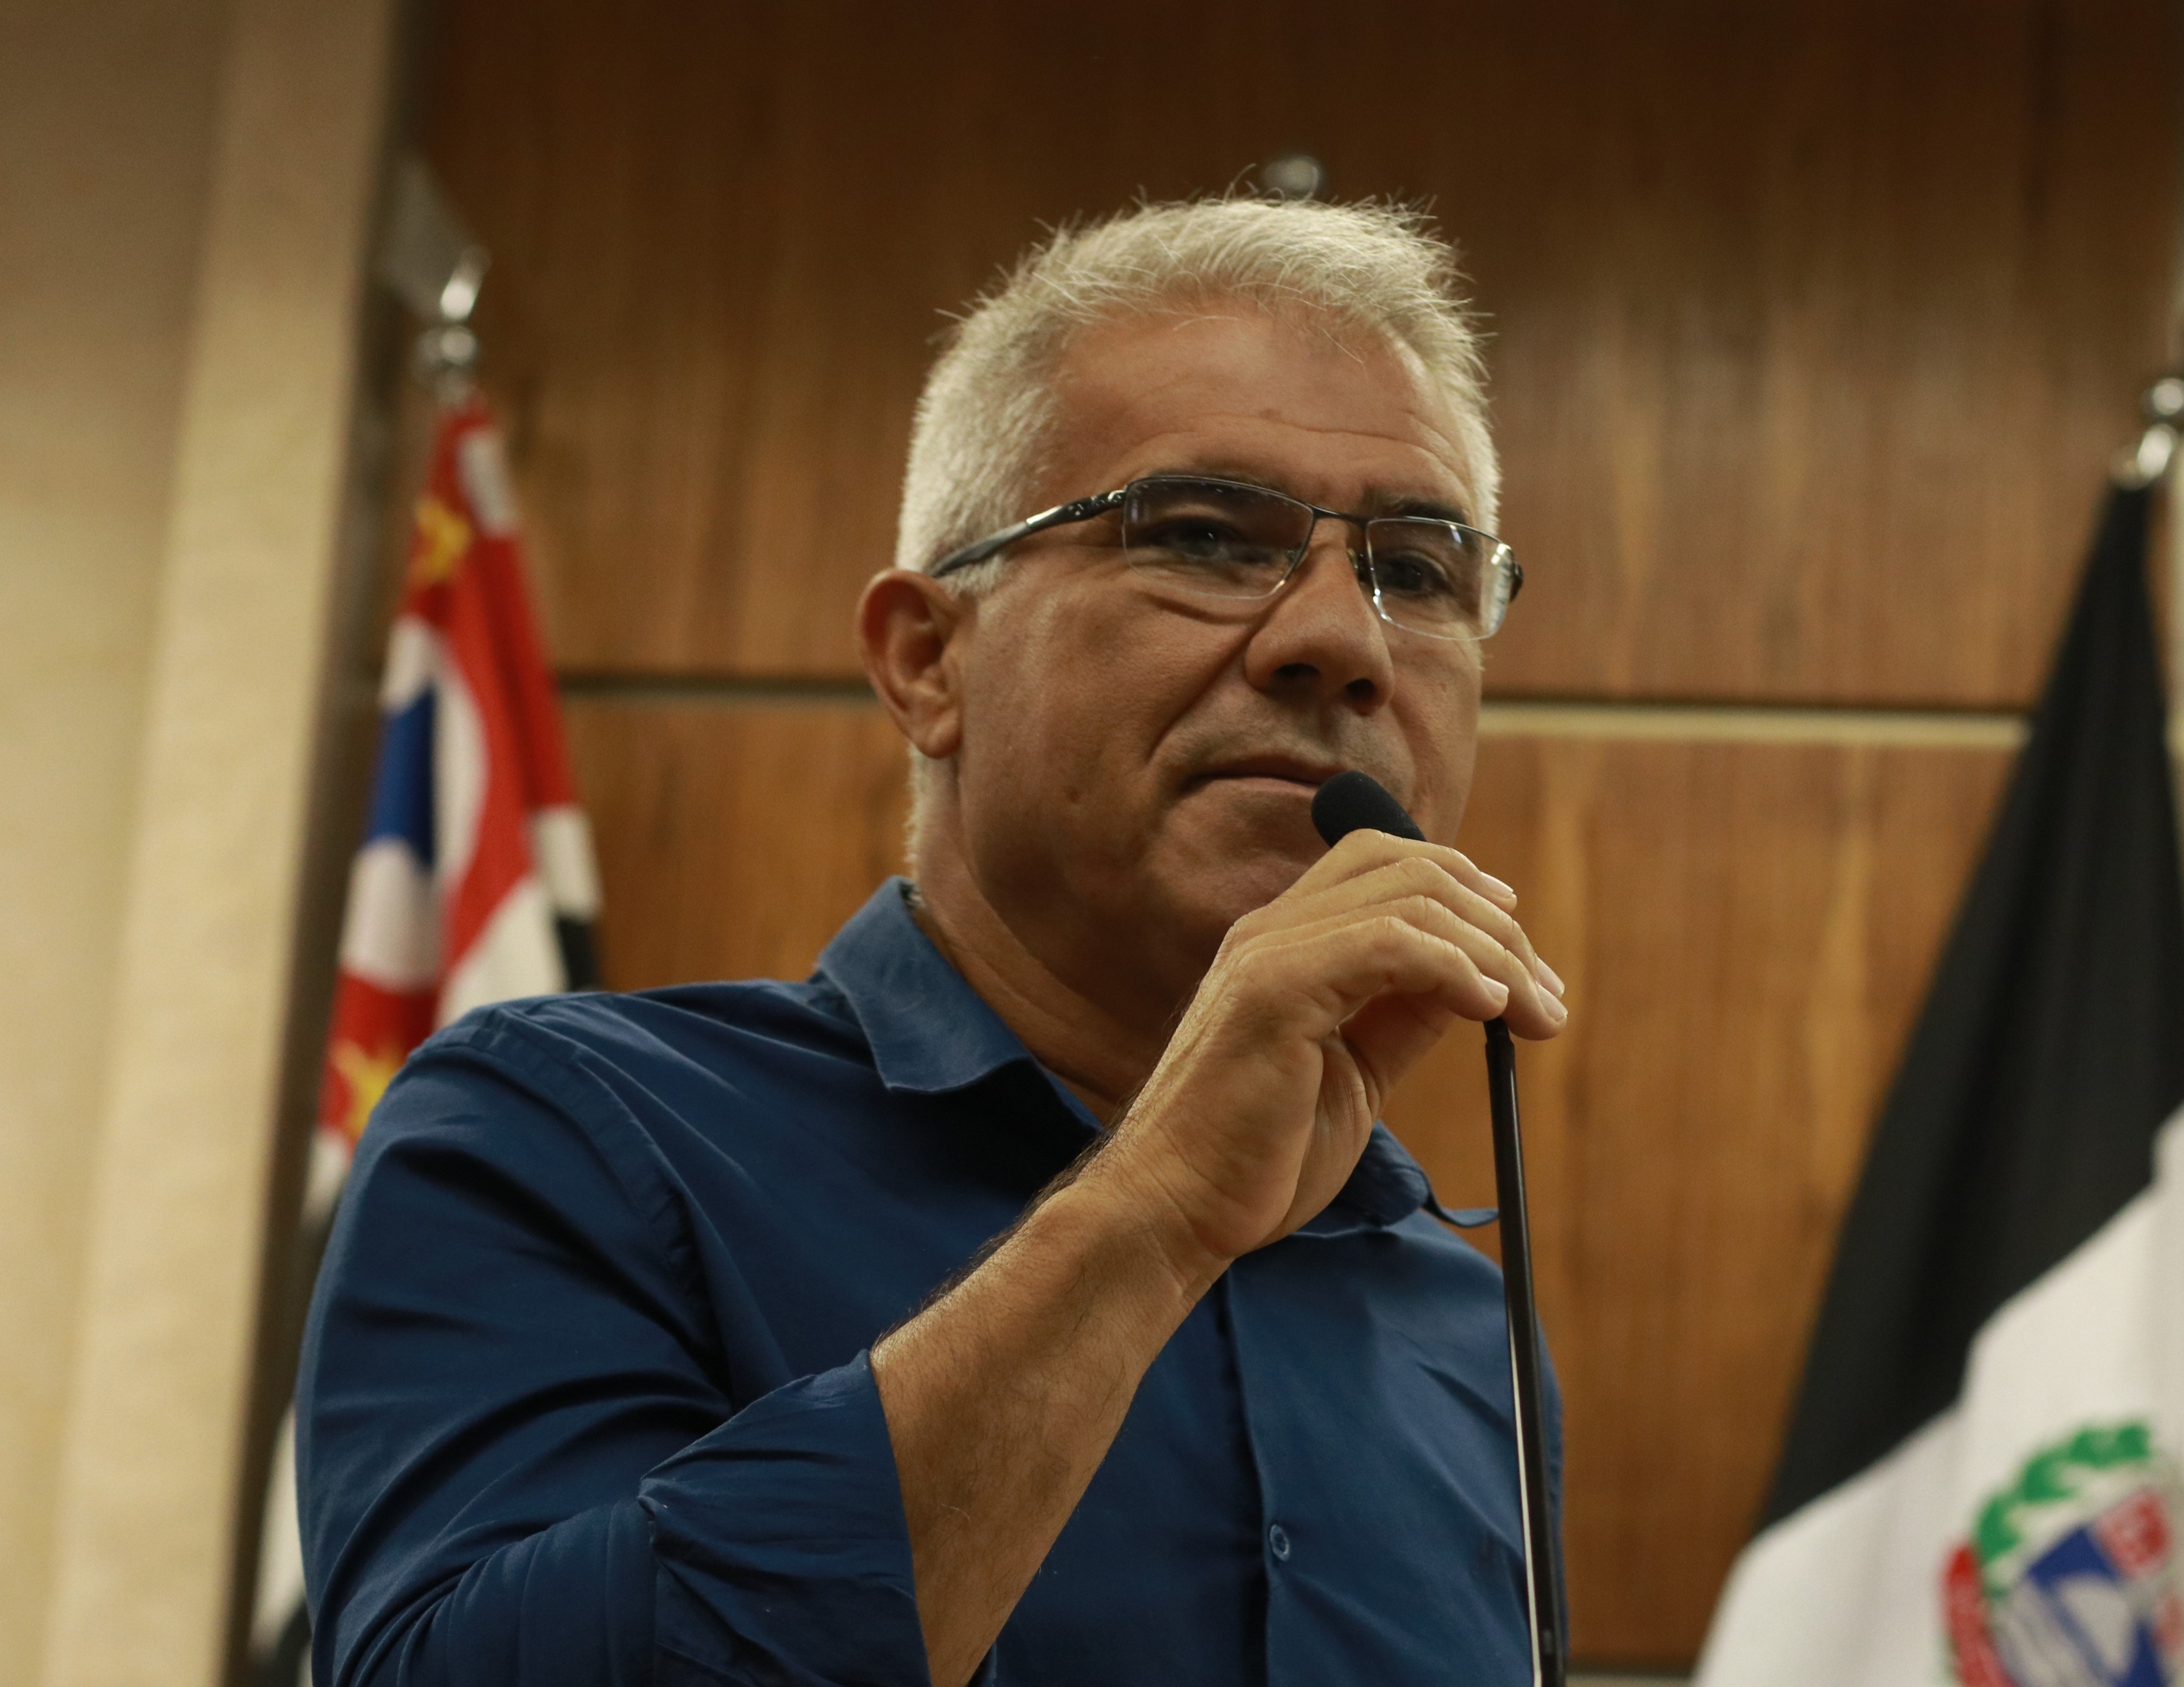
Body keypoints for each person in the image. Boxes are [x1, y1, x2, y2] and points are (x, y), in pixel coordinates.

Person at [298, 196, 1570, 1687]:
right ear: (927, 660)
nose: (1342, 641)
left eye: (1415, 571)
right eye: (1206, 537)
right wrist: (1153, 1209)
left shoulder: (1458, 1315)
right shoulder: (558, 1132)